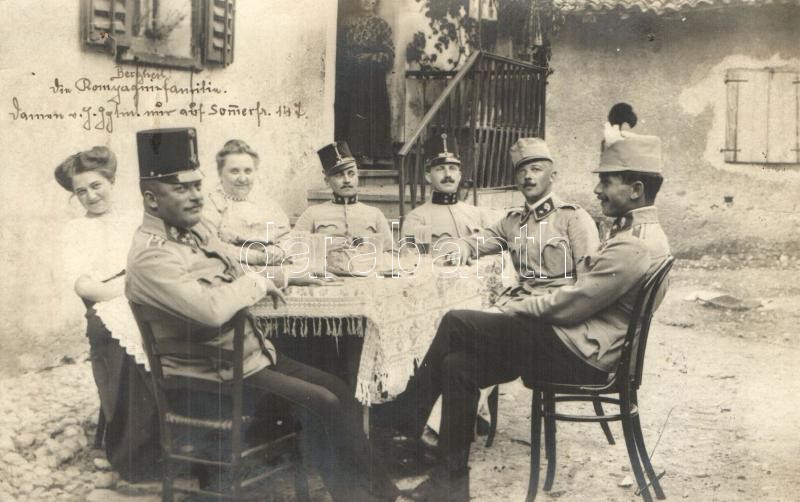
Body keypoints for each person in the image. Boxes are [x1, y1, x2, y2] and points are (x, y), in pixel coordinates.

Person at [378, 133, 671, 500]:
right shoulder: (640, 234)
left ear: (636, 190)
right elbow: (491, 242)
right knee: (457, 366)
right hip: (577, 343)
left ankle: (402, 417)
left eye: (606, 181)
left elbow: (577, 301)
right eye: (522, 170)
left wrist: (515, 309)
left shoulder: (629, 242)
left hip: (580, 351)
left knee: (456, 322)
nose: (597, 190)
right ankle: (448, 487)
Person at [125, 128, 400, 501]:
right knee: (321, 403)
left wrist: (284, 275)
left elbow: (235, 266)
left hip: (247, 361)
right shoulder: (152, 255)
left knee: (338, 387)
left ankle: (384, 494)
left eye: (197, 186)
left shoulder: (196, 231)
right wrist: (257, 282)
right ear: (151, 199)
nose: (196, 196)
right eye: (181, 188)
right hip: (209, 381)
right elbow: (210, 310)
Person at [56, 146, 161, 482]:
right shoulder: (75, 230)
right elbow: (84, 286)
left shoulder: (136, 219)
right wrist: (127, 290)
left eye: (96, 186)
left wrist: (144, 286)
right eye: (81, 191)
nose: (90, 196)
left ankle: (186, 438)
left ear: (111, 181)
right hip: (106, 302)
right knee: (114, 335)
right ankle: (136, 453)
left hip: (148, 293)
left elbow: (157, 262)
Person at [401, 133, 499, 247]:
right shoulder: (416, 219)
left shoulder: (478, 215)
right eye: (440, 169)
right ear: (428, 177)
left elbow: (492, 252)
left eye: (452, 168)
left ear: (459, 176)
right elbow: (412, 256)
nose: (447, 174)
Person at [294, 141, 394, 252]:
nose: (347, 180)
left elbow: (392, 253)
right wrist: (325, 249)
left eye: (351, 174)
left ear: (358, 177)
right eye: (339, 175)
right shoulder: (312, 214)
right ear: (327, 181)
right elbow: (293, 249)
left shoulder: (375, 214)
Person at [335, 0, 394, 163]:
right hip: (351, 75)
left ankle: (377, 155)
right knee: (352, 112)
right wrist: (349, 58)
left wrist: (369, 57)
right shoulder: (346, 22)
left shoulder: (381, 24)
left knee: (374, 112)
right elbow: (338, 49)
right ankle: (355, 154)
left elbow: (389, 55)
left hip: (373, 78)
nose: (368, 1)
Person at [204, 139, 291, 246]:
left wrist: (279, 249)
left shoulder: (267, 204)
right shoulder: (211, 206)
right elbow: (211, 246)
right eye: (234, 171)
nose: (242, 179)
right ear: (220, 173)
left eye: (248, 171)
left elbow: (286, 237)